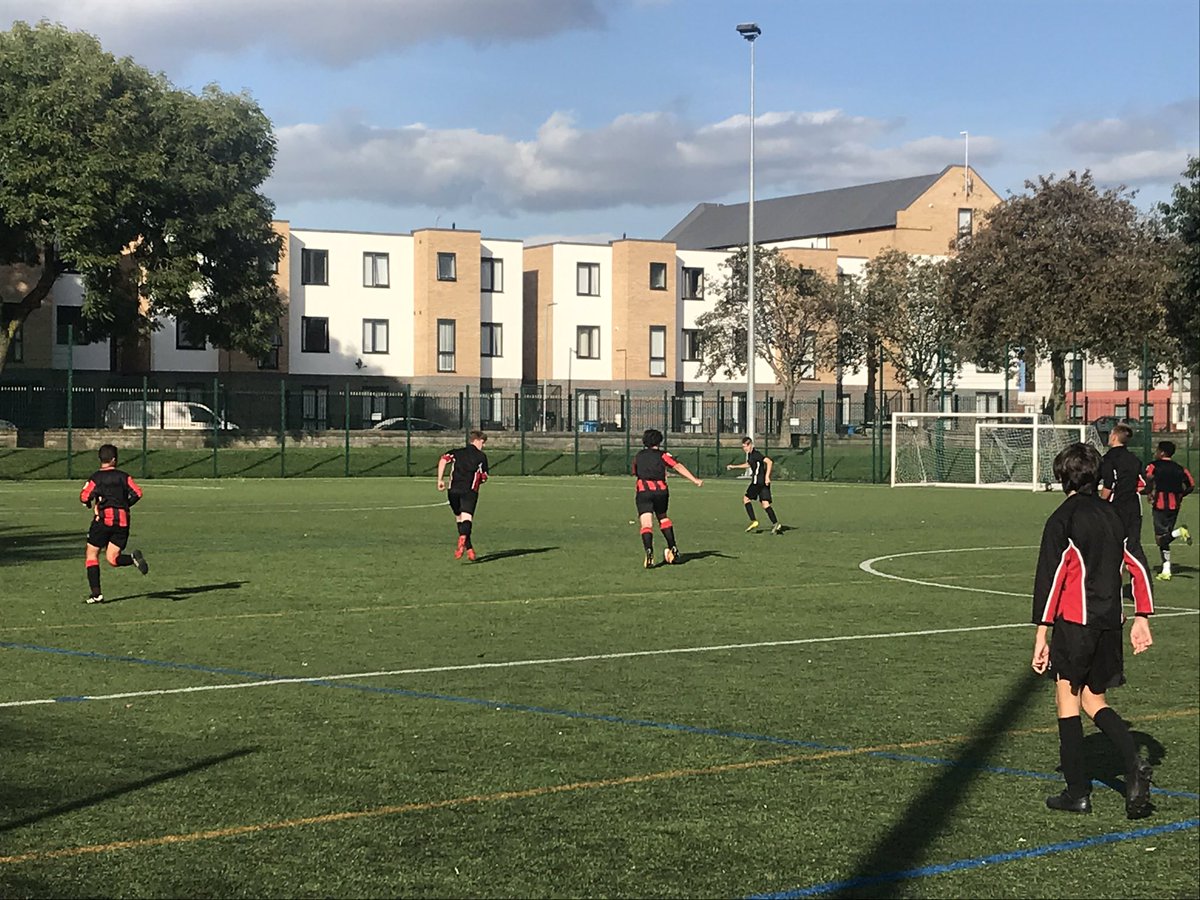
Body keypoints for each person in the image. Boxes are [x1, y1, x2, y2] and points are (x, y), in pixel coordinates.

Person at [1031, 442, 1155, 819]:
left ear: (1061, 476)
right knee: (1094, 700)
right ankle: (1134, 764)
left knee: (1067, 698)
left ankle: (1076, 792)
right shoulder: (1115, 515)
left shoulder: (1062, 519)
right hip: (1109, 622)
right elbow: (1136, 561)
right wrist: (1142, 616)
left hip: (1076, 621)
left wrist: (1042, 632)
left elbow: (1051, 579)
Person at [79, 444, 149, 604]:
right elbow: (138, 493)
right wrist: (125, 505)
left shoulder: (96, 478)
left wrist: (89, 502)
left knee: (91, 555)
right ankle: (132, 559)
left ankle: (96, 594)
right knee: (112, 558)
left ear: (100, 459)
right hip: (122, 522)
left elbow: (84, 496)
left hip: (103, 521)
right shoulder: (124, 476)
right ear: (115, 460)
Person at [632, 428, 703, 568]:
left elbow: (635, 472)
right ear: (659, 441)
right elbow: (677, 466)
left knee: (646, 524)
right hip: (661, 491)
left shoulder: (638, 456)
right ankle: (673, 547)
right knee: (663, 517)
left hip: (643, 490)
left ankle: (649, 552)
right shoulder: (663, 455)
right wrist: (694, 479)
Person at [1098, 423, 1152, 591]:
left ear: (1114, 437)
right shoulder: (1134, 459)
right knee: (1134, 547)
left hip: (1115, 509)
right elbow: (1142, 485)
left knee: (1111, 549)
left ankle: (1110, 587)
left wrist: (1099, 504)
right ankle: (1144, 585)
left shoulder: (1108, 459)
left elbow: (1108, 485)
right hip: (1134, 508)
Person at [1142, 440, 1195, 581]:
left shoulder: (1154, 465)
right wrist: (1181, 495)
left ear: (1162, 453)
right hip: (1175, 506)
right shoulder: (1180, 468)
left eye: (1157, 450)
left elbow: (1148, 478)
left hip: (1160, 505)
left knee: (1160, 539)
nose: (1155, 453)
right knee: (1165, 537)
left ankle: (1180, 532)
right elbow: (1191, 485)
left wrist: (1148, 492)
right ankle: (1166, 570)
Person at [437, 430, 489, 561]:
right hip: (469, 491)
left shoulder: (457, 452)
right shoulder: (481, 456)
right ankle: (463, 539)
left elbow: (443, 460)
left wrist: (440, 479)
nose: (483, 445)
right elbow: (484, 477)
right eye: (483, 442)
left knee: (459, 518)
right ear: (476, 441)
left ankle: (469, 548)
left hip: (453, 491)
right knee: (467, 519)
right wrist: (480, 480)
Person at [726, 436, 782, 534]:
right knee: (765, 504)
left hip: (757, 482)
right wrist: (734, 466)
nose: (744, 449)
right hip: (763, 483)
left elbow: (769, 462)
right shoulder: (751, 455)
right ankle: (776, 523)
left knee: (746, 499)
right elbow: (748, 465)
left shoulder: (756, 454)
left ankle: (754, 521)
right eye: (743, 447)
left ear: (750, 445)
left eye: (745, 447)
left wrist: (767, 476)